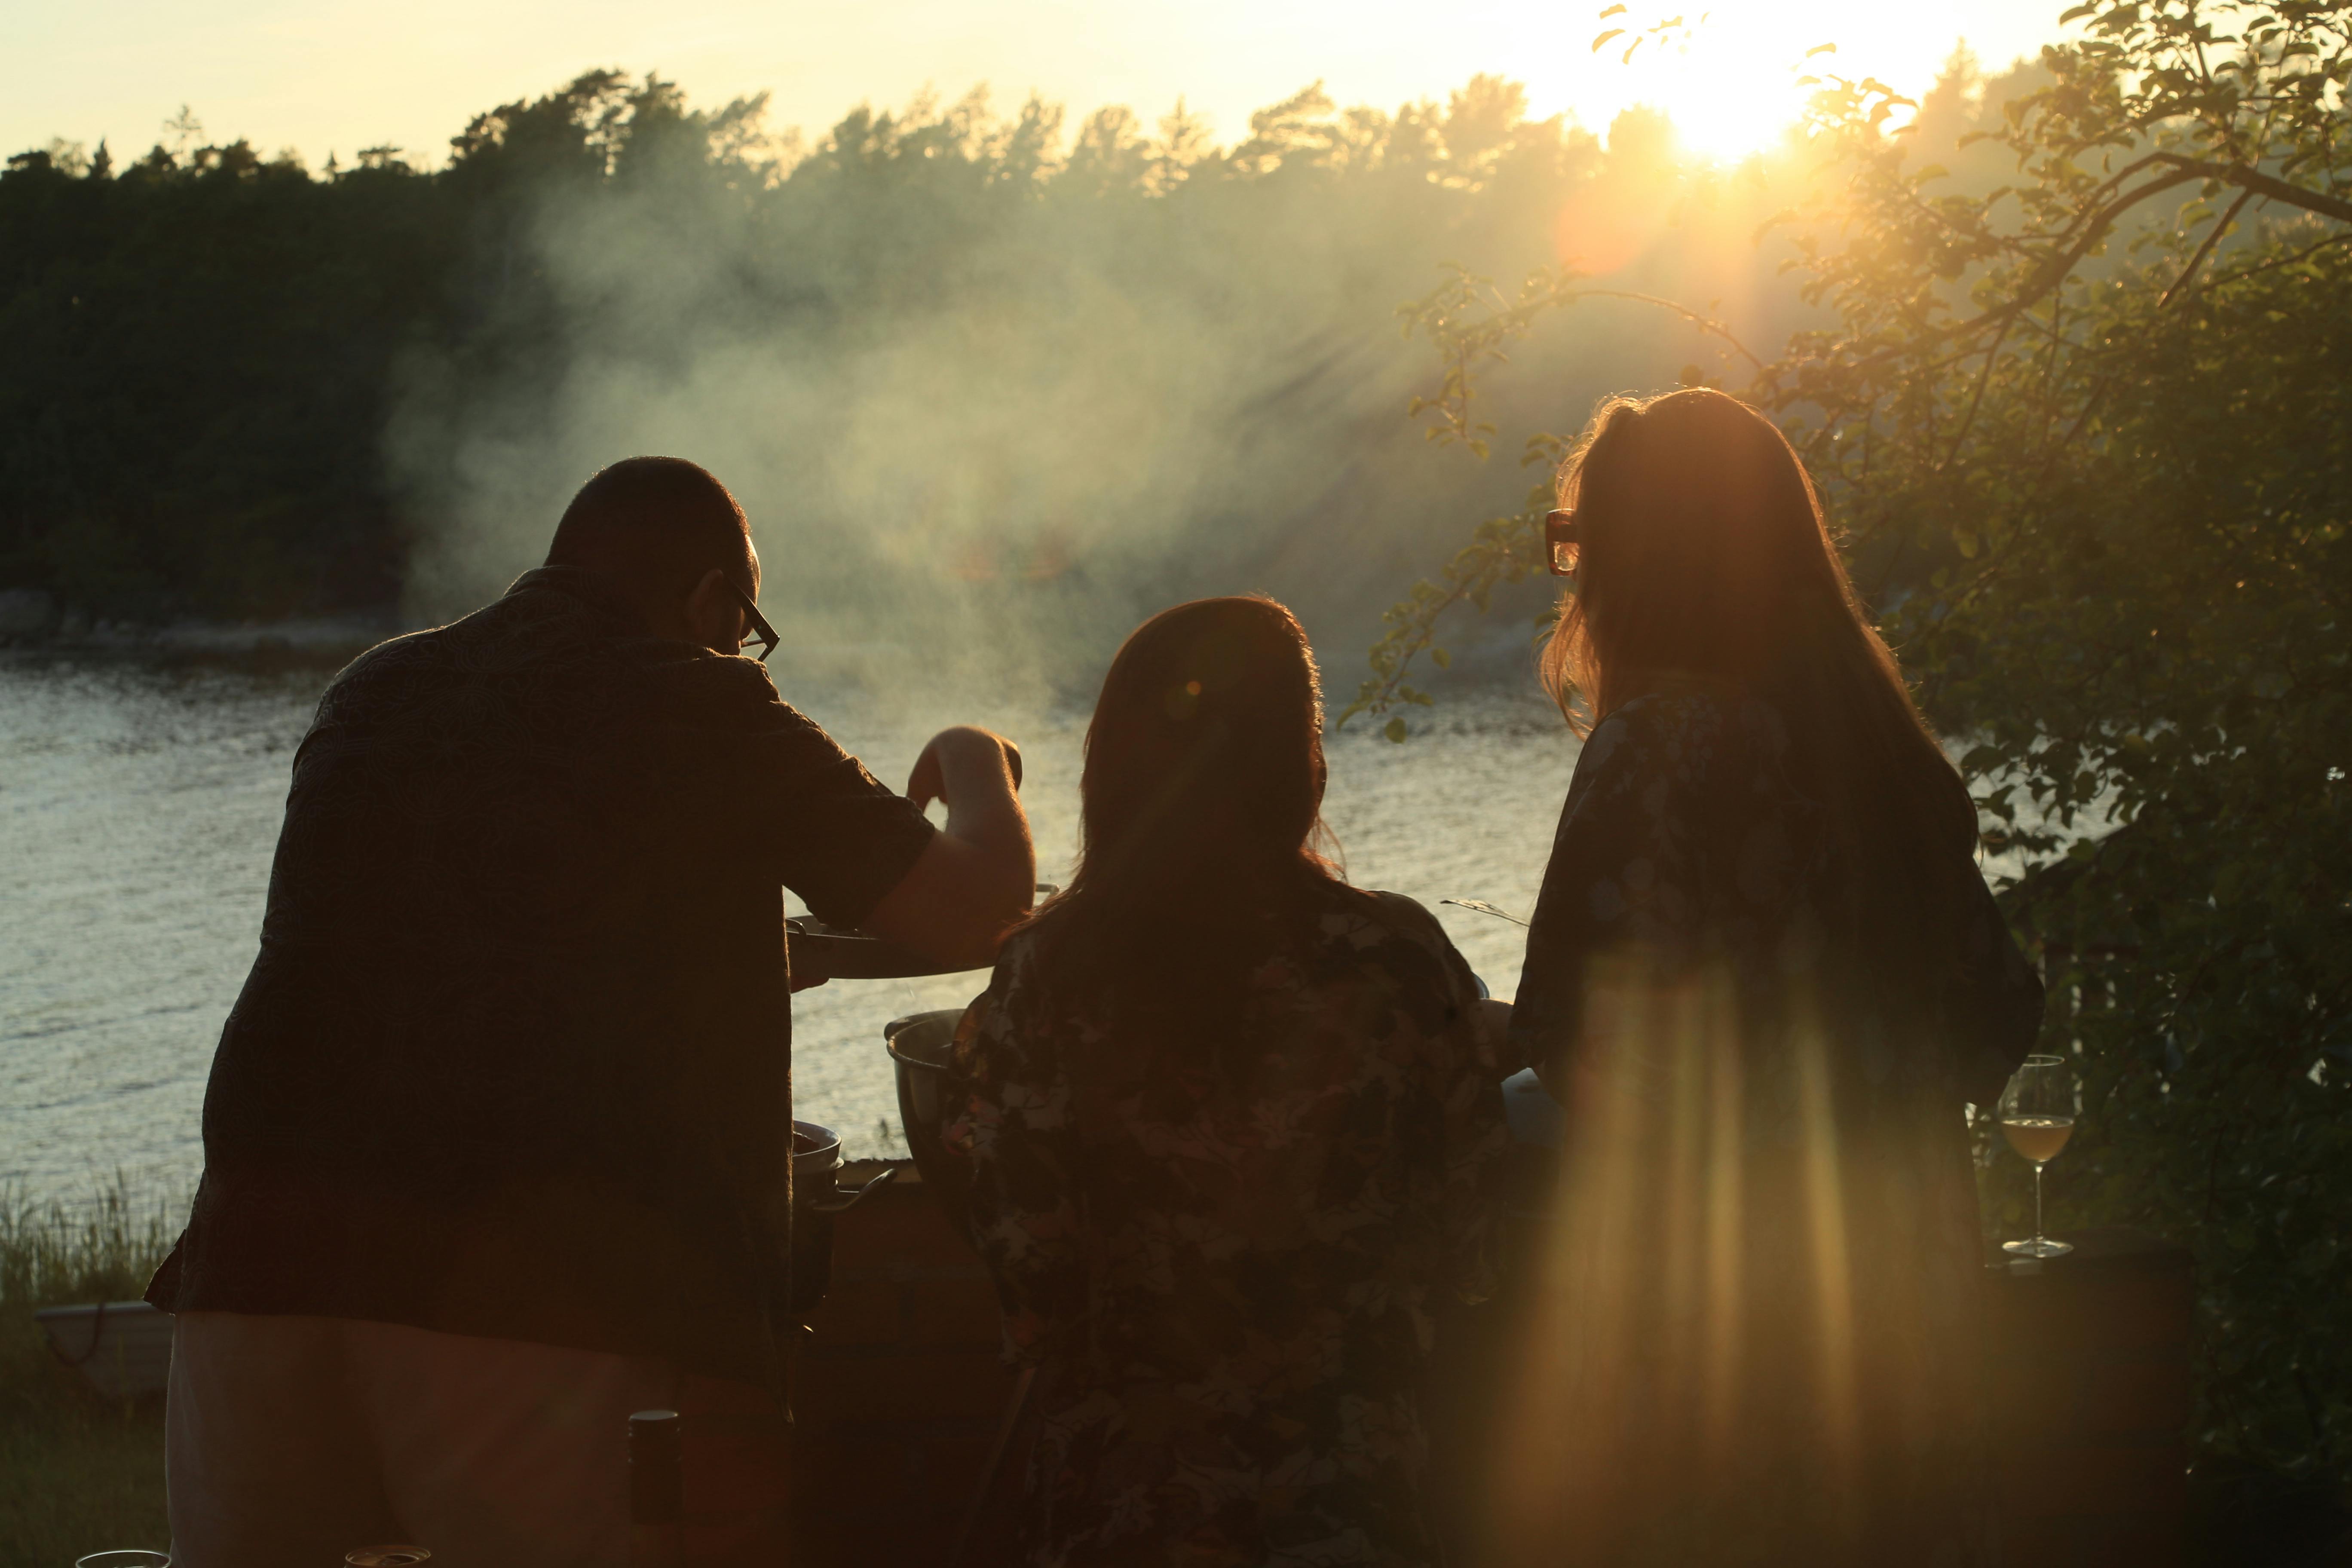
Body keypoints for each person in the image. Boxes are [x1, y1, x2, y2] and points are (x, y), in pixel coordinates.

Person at [146, 456, 1034, 1568]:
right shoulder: (699, 696)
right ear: (713, 600)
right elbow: (977, 915)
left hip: (256, 1265)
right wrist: (976, 760)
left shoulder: (376, 686)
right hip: (511, 1297)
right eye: (744, 626)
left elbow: (476, 926)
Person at [1495, 389, 2046, 1566]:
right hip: (1913, 1314)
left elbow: (1572, 1035)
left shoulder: (1663, 746)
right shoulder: (1874, 747)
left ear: (1640, 558)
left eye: (1580, 544)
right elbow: (2001, 1013)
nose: (1573, 579)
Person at [946, 595, 1513, 1568]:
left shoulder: (1049, 978)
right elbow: (1470, 1240)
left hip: (1124, 1504)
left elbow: (1033, 1278)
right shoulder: (1398, 960)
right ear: (1298, 762)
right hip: (1353, 1499)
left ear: (1112, 764)